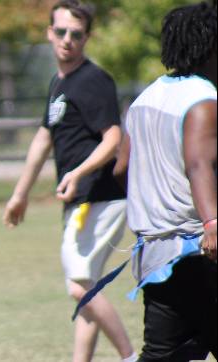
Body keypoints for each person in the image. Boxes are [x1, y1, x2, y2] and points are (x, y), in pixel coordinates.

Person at [2, 1, 136, 361]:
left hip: (102, 197)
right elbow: (44, 138)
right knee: (85, 289)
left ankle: (129, 356)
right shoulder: (59, 82)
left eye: (76, 34)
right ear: (49, 33)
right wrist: (20, 194)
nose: (67, 40)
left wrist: (77, 173)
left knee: (80, 286)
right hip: (81, 199)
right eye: (61, 32)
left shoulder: (93, 80)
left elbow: (113, 138)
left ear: (87, 38)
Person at [112, 3, 216, 360]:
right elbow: (199, 165)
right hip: (201, 250)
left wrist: (155, 207)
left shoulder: (145, 98)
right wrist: (212, 222)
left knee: (164, 354)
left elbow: (121, 169)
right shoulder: (203, 99)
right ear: (211, 47)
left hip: (158, 257)